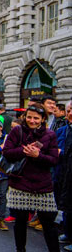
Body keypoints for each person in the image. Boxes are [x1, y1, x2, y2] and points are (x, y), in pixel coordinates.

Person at [3, 103, 59, 252]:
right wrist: (23, 150)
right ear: (24, 117)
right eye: (29, 117)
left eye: (36, 118)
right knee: (20, 222)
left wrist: (38, 155)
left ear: (43, 119)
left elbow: (53, 160)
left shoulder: (50, 135)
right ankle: (20, 249)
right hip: (20, 182)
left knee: (48, 224)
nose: (32, 121)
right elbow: (7, 152)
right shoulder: (17, 131)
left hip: (43, 185)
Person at [55, 101, 72, 251]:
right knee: (66, 204)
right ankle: (68, 232)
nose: (70, 113)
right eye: (69, 110)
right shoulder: (62, 130)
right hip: (63, 171)